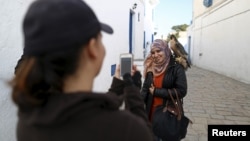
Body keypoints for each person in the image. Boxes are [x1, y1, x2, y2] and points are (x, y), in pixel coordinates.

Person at [9, 0, 154, 141]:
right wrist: (133, 93)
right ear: (91, 48)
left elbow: (86, 109)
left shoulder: (28, 121)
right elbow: (143, 133)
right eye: (100, 38)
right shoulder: (125, 129)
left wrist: (117, 85)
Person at [141, 39, 188, 141]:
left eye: (159, 51)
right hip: (151, 114)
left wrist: (157, 92)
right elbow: (145, 89)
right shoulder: (150, 67)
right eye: (153, 52)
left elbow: (182, 91)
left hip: (167, 115)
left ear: (166, 50)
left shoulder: (176, 68)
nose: (155, 55)